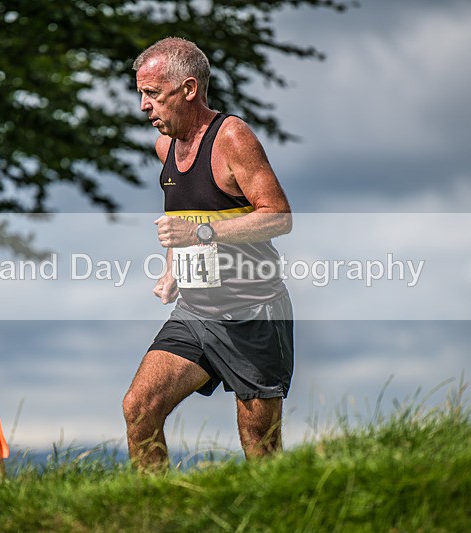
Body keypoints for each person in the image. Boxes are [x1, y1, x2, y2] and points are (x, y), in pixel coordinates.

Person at [123, 37, 294, 470]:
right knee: (139, 408)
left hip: (252, 311)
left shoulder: (232, 137)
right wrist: (172, 270)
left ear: (189, 89)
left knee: (260, 445)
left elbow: (278, 217)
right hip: (196, 312)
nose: (144, 106)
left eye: (153, 94)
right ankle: (154, 512)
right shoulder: (164, 146)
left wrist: (200, 234)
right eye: (141, 93)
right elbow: (182, 221)